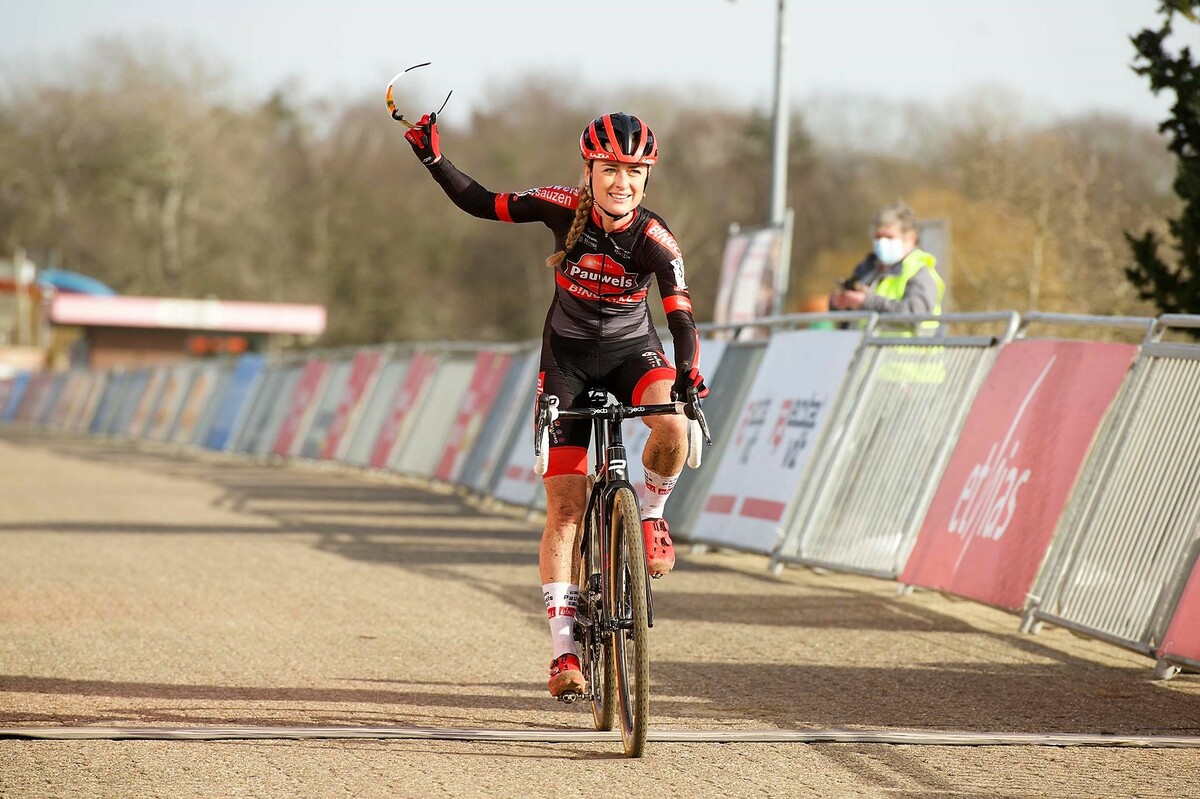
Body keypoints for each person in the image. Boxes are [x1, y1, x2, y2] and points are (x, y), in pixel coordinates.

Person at [403, 111, 707, 698]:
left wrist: (691, 370)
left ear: (646, 179)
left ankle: (650, 515)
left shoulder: (654, 239)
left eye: (635, 172)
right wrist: (433, 158)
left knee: (671, 423)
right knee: (565, 510)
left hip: (630, 353)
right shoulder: (558, 205)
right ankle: (563, 653)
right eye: (611, 169)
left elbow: (680, 316)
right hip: (565, 362)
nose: (622, 182)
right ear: (589, 170)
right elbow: (484, 203)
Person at [829, 202, 945, 327]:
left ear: (910, 238)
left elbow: (915, 314)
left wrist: (866, 301)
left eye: (889, 237)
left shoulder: (919, 271)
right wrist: (840, 303)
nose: (882, 242)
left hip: (903, 346)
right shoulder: (867, 269)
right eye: (878, 237)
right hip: (866, 345)